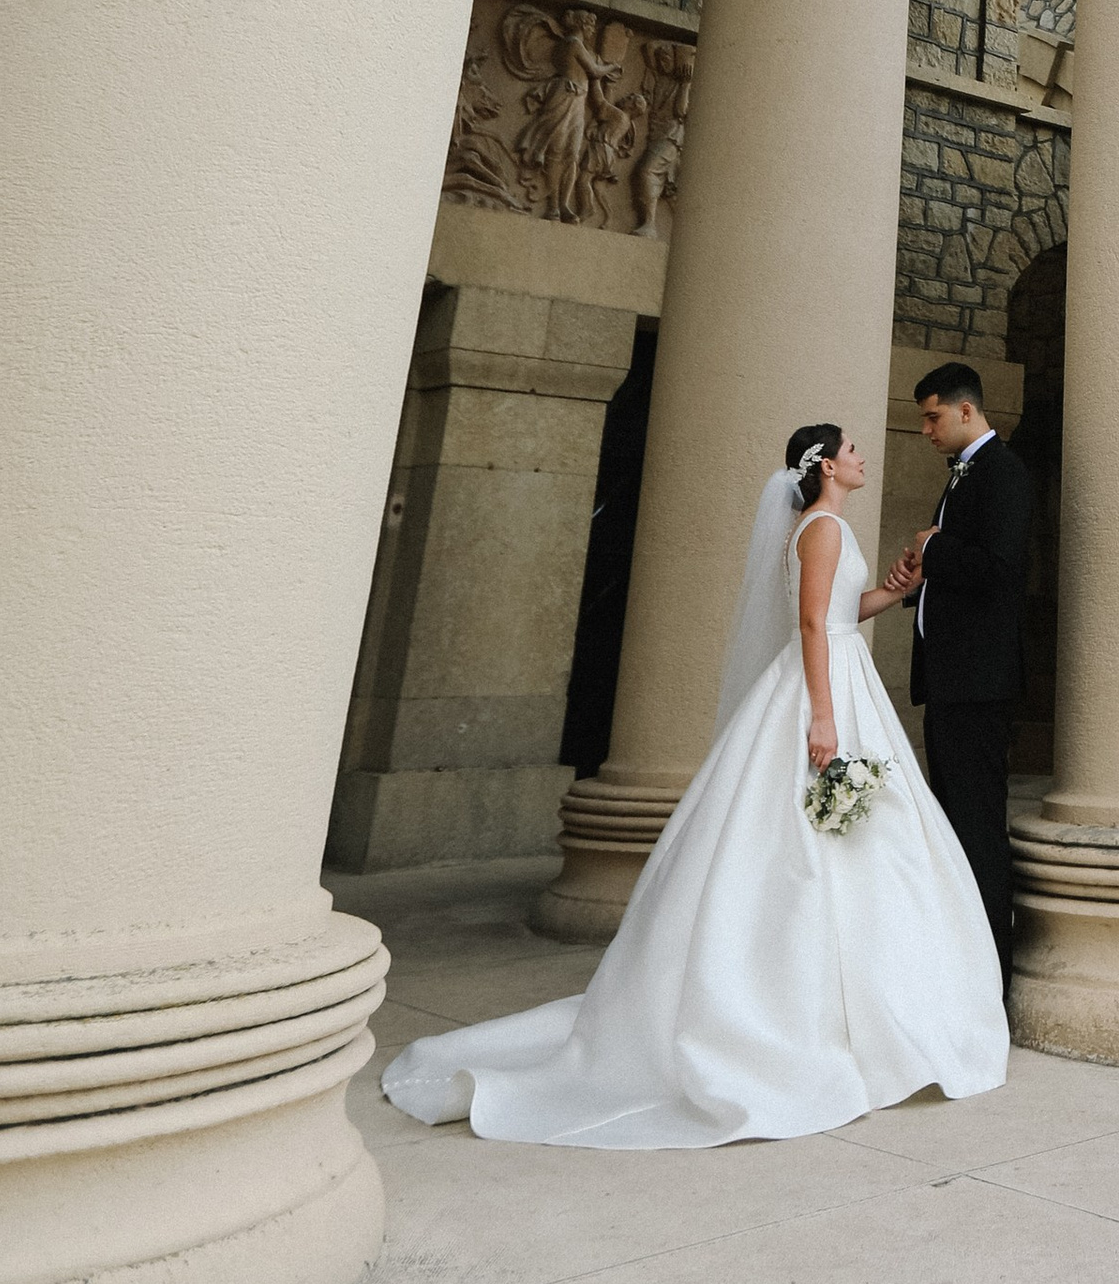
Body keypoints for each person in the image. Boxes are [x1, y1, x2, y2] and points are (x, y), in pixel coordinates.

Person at [379, 425, 1006, 1143]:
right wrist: (824, 719)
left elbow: (839, 615)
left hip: (836, 673)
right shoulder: (824, 525)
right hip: (825, 692)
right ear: (828, 465)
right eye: (853, 450)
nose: (864, 458)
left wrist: (894, 591)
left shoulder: (820, 524)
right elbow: (808, 624)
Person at [886, 361, 1035, 979]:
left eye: (933, 415)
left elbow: (1001, 569)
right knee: (953, 826)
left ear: (967, 411)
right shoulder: (961, 475)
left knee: (975, 829)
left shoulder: (1001, 471)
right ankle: (960, 971)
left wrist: (933, 547)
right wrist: (920, 579)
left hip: (978, 685)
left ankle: (990, 979)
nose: (925, 428)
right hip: (952, 682)